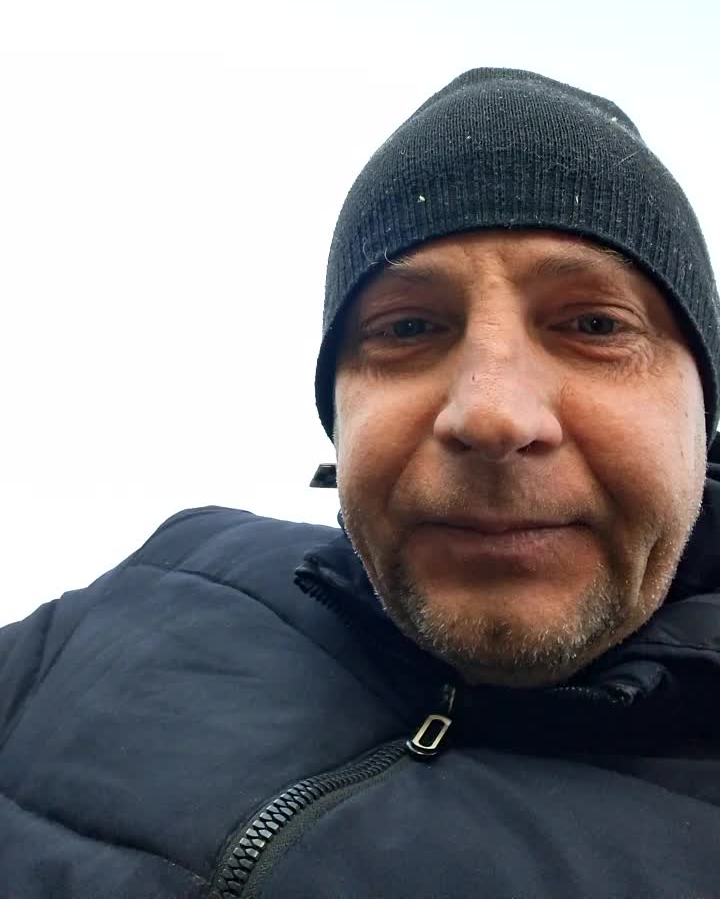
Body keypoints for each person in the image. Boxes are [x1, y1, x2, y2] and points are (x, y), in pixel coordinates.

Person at [2, 67, 720, 899]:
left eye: (594, 324)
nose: (490, 416)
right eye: (407, 326)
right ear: (336, 413)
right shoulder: (148, 590)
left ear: (702, 413)